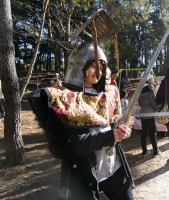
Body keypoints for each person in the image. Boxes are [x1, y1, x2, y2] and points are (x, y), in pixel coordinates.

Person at [31, 42, 135, 200]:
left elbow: (112, 125)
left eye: (102, 65)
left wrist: (121, 130)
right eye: (93, 65)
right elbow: (60, 147)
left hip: (114, 168)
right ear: (80, 66)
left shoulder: (109, 93)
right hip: (83, 176)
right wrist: (108, 137)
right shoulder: (62, 99)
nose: (99, 70)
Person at [138, 72, 161, 157]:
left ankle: (144, 151)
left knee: (143, 133)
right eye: (152, 79)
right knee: (152, 133)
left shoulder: (139, 91)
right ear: (148, 80)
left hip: (143, 114)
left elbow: (139, 102)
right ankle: (155, 150)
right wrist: (157, 108)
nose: (153, 80)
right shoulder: (150, 91)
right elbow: (153, 103)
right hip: (150, 114)